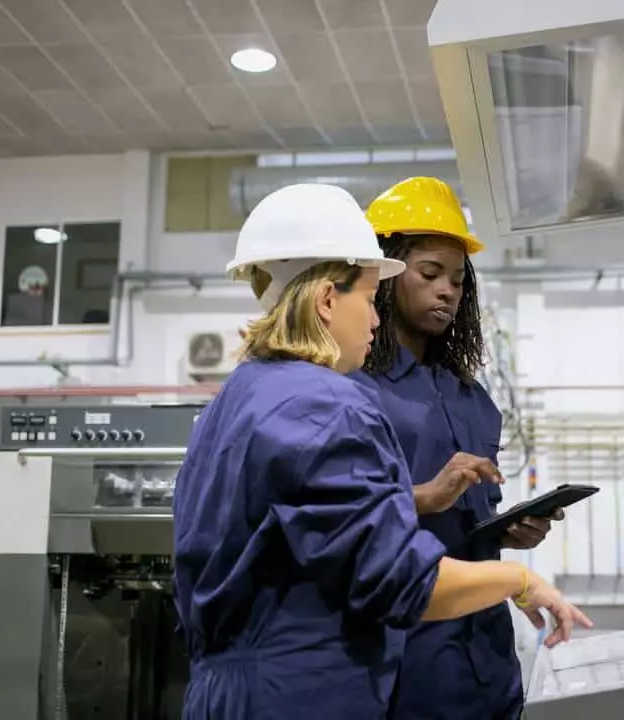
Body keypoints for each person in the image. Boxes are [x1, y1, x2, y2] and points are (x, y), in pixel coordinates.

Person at [172, 183, 591, 720]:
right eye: (369, 299)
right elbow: (401, 581)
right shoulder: (324, 402)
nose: (374, 319)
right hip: (304, 692)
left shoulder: (238, 396)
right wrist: (523, 579)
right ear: (327, 299)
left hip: (234, 690)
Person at [353, 177, 564, 720]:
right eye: (429, 274)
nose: (447, 290)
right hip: (404, 652)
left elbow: (474, 524)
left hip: (486, 648)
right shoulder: (349, 390)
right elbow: (341, 518)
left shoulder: (473, 399)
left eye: (458, 280)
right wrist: (425, 494)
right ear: (383, 276)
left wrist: (514, 528)